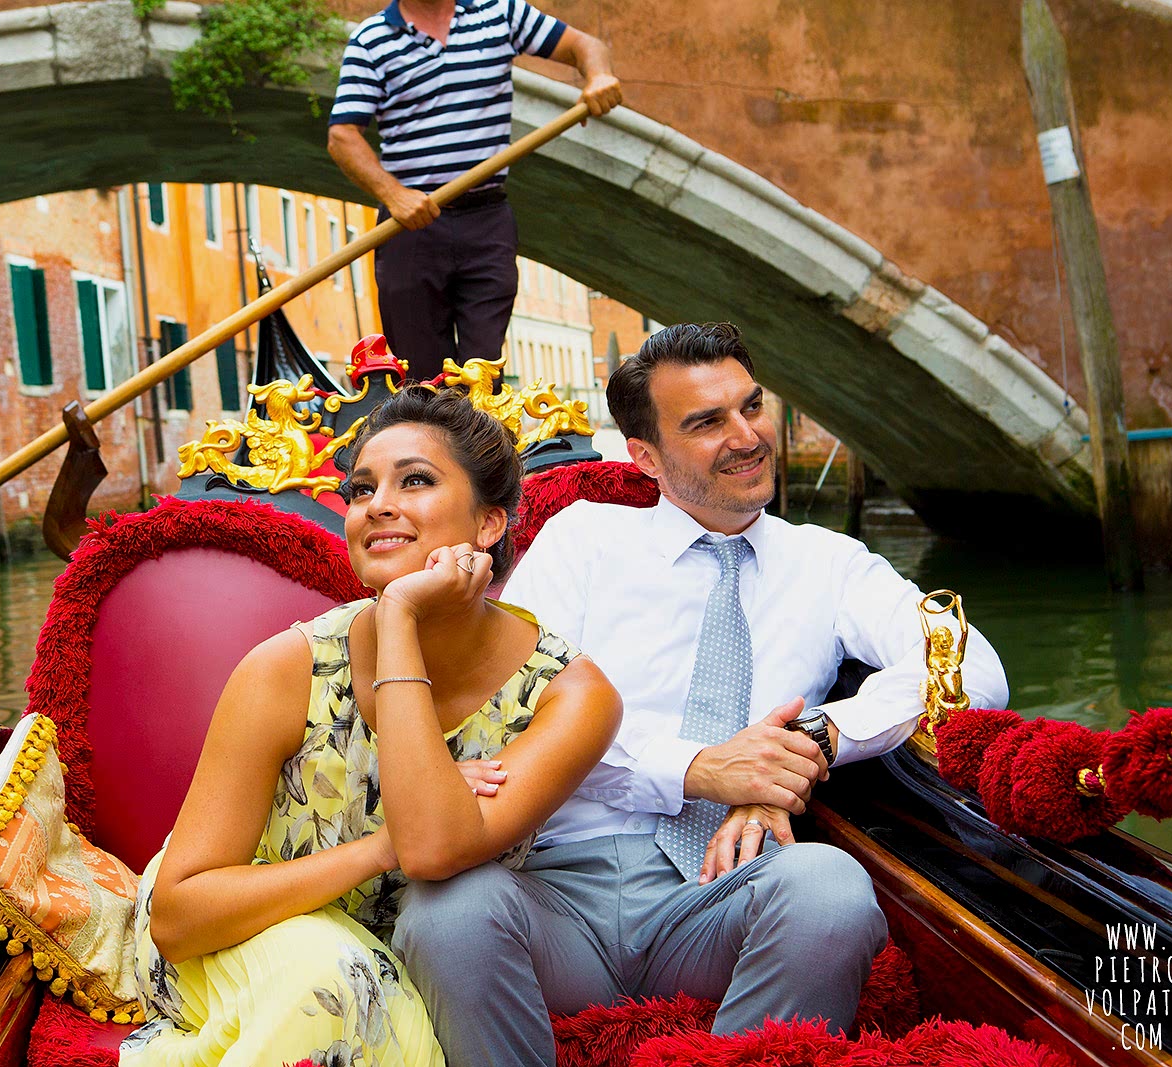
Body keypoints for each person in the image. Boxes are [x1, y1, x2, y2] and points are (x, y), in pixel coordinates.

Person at [391, 322, 1010, 1066]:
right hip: (553, 889)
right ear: (645, 456)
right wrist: (696, 766)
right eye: (708, 422)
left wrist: (807, 742)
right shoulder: (584, 540)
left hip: (725, 889)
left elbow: (970, 667)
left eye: (752, 406)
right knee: (446, 913)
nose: (747, 436)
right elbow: (526, 708)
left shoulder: (830, 563)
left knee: (831, 888)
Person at [122, 385, 622, 1067]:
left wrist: (399, 620)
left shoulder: (571, 694)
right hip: (236, 936)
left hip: (417, 963)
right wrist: (376, 845)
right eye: (361, 489)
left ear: (489, 525)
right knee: (328, 980)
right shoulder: (286, 670)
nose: (377, 503)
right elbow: (180, 916)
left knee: (351, 982)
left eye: (414, 480)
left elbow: (435, 852)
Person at [327, 0, 622, 381]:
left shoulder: (500, 12)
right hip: (411, 225)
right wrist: (394, 195)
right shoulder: (372, 40)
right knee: (420, 374)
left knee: (482, 369)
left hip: (487, 220)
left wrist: (597, 76)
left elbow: (587, 45)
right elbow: (342, 136)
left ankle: (480, 438)